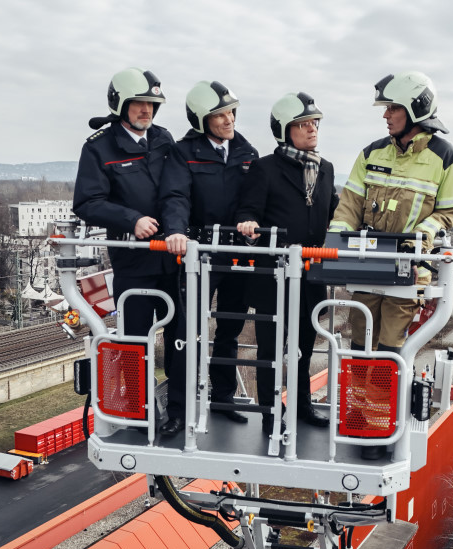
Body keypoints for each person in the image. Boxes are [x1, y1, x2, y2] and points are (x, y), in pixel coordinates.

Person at [328, 71, 453, 458]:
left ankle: (379, 430)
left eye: (392, 108)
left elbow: (448, 212)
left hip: (408, 274)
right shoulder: (372, 153)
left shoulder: (446, 159)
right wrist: (339, 242)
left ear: (415, 109)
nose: (385, 116)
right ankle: (359, 423)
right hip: (366, 268)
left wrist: (422, 235)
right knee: (360, 348)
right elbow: (350, 204)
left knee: (390, 350)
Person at [72, 67, 187, 438]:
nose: (146, 110)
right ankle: (141, 414)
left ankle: (180, 409)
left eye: (152, 104)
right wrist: (131, 219)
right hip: (133, 263)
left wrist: (176, 228)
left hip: (172, 259)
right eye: (138, 103)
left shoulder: (163, 139)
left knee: (179, 336)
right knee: (135, 340)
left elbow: (176, 191)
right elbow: (87, 201)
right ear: (119, 104)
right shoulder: (99, 148)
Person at [235, 92, 337, 435]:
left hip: (310, 277)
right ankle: (268, 412)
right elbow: (247, 210)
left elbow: (333, 212)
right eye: (303, 124)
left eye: (314, 123)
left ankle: (302, 406)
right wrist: (248, 223)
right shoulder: (264, 168)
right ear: (284, 130)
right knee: (269, 350)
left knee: (303, 348)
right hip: (272, 280)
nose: (312, 129)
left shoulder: (326, 169)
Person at [160, 81, 260, 423]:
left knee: (230, 328)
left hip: (237, 252)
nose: (229, 119)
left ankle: (223, 400)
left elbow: (255, 200)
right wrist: (175, 230)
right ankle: (179, 409)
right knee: (187, 332)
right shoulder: (183, 151)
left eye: (231, 112)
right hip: (200, 254)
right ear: (202, 120)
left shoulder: (247, 152)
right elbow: (175, 196)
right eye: (219, 115)